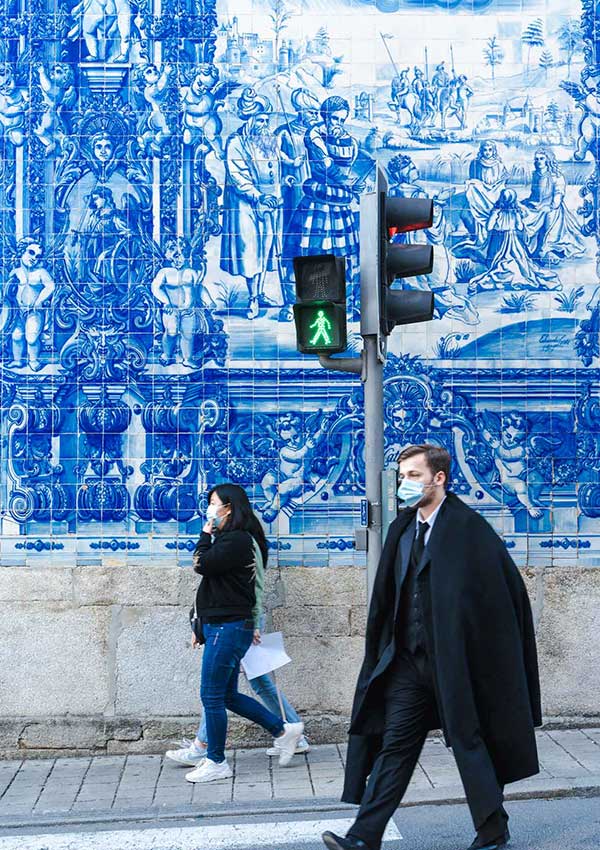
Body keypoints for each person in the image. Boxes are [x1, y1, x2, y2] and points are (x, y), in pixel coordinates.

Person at [322, 444, 541, 850]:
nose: (405, 484)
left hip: (456, 663)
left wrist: (485, 653)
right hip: (409, 662)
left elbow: (501, 597)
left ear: (439, 478)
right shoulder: (403, 529)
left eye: (414, 476)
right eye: (402, 476)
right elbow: (390, 597)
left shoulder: (468, 529)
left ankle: (493, 832)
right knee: (395, 746)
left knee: (470, 742)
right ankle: (363, 838)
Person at [179, 483, 304, 783]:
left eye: (213, 503)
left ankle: (216, 760)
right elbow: (213, 588)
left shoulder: (236, 541)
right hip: (223, 625)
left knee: (211, 695)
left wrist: (205, 534)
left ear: (229, 507)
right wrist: (200, 626)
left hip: (229, 627)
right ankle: (283, 730)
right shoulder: (233, 540)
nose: (210, 508)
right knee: (227, 695)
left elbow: (201, 564)